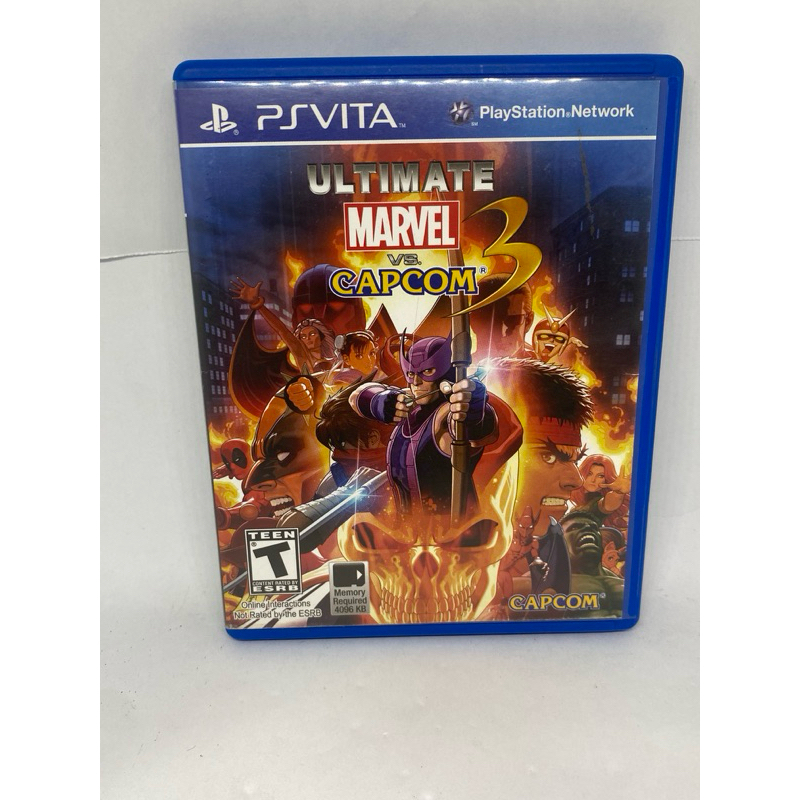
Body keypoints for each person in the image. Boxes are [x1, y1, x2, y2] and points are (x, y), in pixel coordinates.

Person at [349, 333, 498, 517]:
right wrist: (381, 402)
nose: (416, 382)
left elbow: (475, 430)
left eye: (427, 371)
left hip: (450, 526)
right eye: (411, 374)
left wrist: (473, 409)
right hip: (407, 526)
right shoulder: (409, 402)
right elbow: (355, 397)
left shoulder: (445, 413)